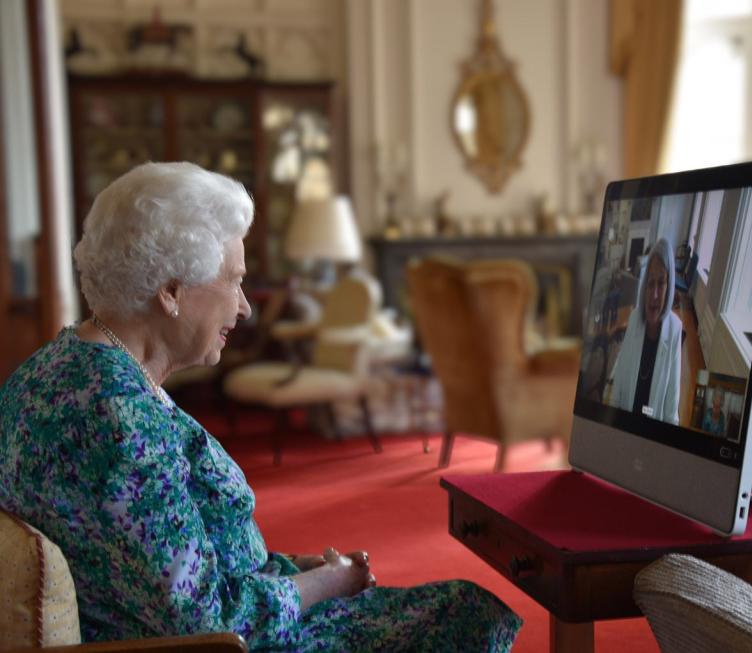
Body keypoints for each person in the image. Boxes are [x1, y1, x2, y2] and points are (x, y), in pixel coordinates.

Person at [0, 162, 520, 651]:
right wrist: (326, 582)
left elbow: (156, 565)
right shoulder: (119, 420)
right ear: (173, 291)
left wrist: (290, 569)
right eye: (234, 280)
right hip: (229, 646)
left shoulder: (52, 370)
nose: (244, 305)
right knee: (469, 613)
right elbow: (209, 623)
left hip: (196, 621)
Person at [605, 238, 682, 423]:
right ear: (644, 286)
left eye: (661, 283)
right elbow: (618, 388)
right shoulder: (633, 319)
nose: (654, 294)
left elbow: (671, 410)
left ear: (669, 286)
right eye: (650, 283)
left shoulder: (675, 329)